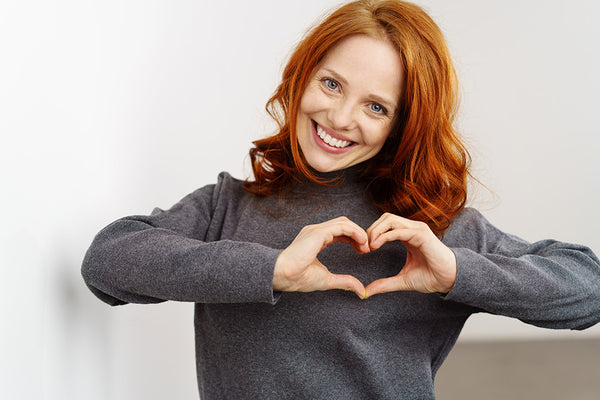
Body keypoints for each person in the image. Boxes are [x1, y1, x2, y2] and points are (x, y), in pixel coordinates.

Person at [81, 0, 600, 398]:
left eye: (376, 106)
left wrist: (458, 273)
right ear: (301, 75)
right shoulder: (227, 205)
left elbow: (588, 288)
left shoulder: (431, 230)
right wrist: (270, 270)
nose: (340, 117)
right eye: (331, 84)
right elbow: (107, 261)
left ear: (403, 125)